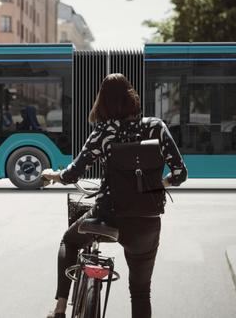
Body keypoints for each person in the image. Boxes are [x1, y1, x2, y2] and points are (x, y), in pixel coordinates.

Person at [42, 73, 187, 318]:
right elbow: (180, 173)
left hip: (109, 216)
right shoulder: (156, 127)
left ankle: (59, 307)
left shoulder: (104, 131)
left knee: (70, 240)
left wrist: (54, 175)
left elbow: (73, 173)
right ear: (132, 98)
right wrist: (155, 185)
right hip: (146, 220)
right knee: (140, 292)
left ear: (103, 102)